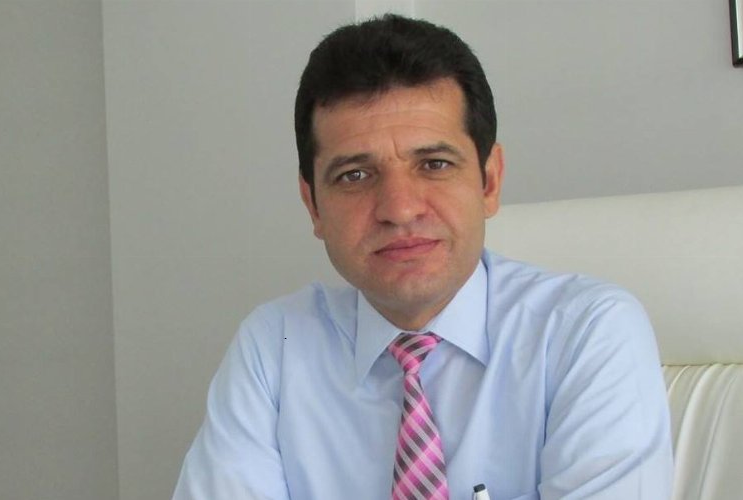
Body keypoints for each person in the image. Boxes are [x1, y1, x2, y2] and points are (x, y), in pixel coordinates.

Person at [173, 14, 673, 500]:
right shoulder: (273, 348)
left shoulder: (585, 331)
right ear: (314, 206)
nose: (399, 209)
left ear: (489, 181)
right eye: (354, 175)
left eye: (434, 164)